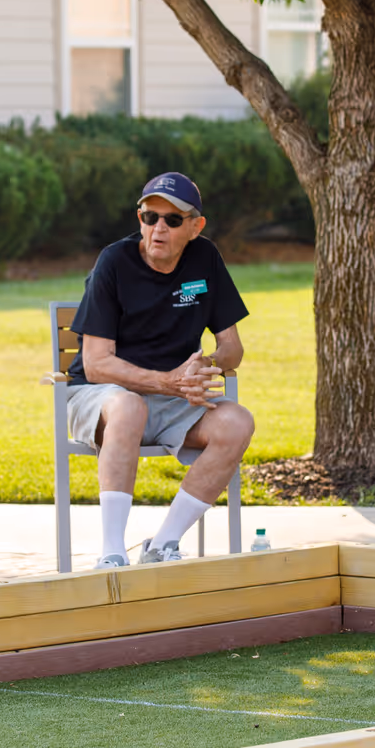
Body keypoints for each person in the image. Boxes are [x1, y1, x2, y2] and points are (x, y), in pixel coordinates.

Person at [66, 172, 255, 568]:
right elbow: (97, 364)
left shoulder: (206, 258)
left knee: (237, 422)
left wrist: (205, 366)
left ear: (195, 226)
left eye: (172, 220)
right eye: (149, 217)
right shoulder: (114, 262)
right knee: (130, 406)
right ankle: (113, 552)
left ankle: (163, 544)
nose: (158, 229)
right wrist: (169, 382)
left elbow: (232, 348)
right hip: (103, 398)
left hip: (174, 401)